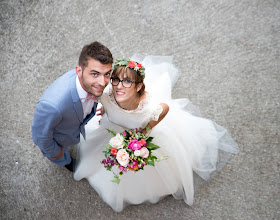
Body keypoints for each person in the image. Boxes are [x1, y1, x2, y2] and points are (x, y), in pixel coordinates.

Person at [74, 55, 239, 211]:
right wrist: (101, 110)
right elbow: (94, 96)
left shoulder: (149, 106)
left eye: (127, 82)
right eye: (116, 80)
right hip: (110, 132)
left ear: (138, 86)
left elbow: (164, 109)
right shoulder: (107, 93)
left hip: (138, 136)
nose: (119, 86)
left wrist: (144, 131)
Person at [31, 41, 113, 172]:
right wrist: (56, 153)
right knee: (66, 160)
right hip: (60, 141)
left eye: (107, 74)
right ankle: (66, 161)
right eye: (95, 74)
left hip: (74, 128)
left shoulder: (90, 83)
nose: (103, 82)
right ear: (79, 71)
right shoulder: (52, 106)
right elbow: (40, 136)